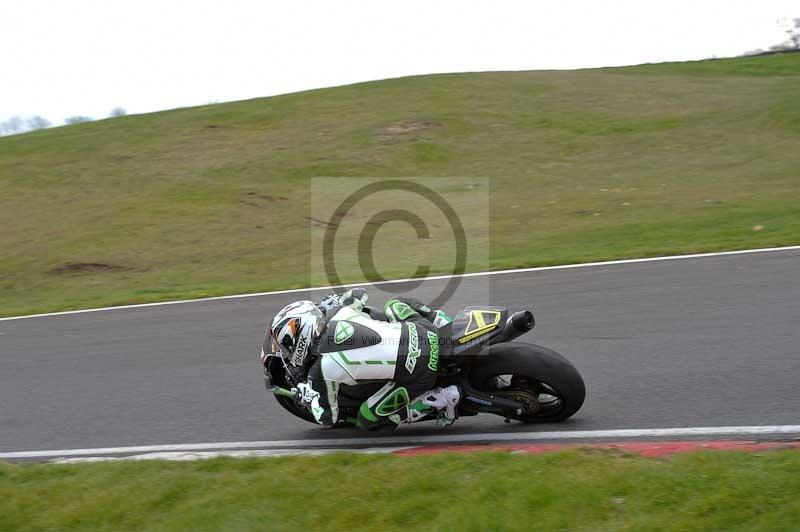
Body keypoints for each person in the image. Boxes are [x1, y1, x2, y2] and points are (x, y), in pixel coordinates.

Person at [263, 289, 460, 430]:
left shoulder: (321, 370)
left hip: (420, 371)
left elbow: (327, 419)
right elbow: (359, 294)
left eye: (287, 346)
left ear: (300, 340)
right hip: (423, 330)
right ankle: (445, 324)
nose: (287, 351)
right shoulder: (340, 312)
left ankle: (441, 399)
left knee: (366, 419)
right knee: (395, 303)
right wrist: (337, 300)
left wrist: (308, 397)